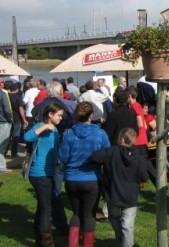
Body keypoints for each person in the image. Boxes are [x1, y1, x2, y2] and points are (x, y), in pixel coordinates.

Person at [90, 128, 156, 247]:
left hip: (113, 194)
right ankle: (124, 242)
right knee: (127, 226)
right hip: (130, 196)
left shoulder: (110, 152)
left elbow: (94, 156)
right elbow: (144, 177)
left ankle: (122, 240)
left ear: (121, 139)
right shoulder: (139, 157)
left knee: (114, 218)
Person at [58, 101, 111, 247]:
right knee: (89, 214)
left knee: (76, 213)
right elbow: (107, 155)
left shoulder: (68, 133)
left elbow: (62, 157)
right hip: (92, 178)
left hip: (72, 178)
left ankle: (73, 244)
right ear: (91, 116)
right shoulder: (100, 133)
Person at [24, 102, 63, 246]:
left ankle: (39, 240)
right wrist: (45, 127)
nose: (60, 118)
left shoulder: (56, 130)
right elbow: (27, 138)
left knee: (42, 206)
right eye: (58, 115)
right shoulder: (39, 126)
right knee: (47, 207)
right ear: (50, 115)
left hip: (50, 171)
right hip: (39, 173)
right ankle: (47, 243)